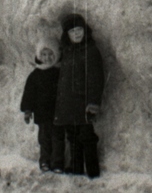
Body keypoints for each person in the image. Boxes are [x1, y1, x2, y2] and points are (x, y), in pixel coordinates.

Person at [53, 14, 105, 178]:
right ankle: (76, 168)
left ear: (85, 30)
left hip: (83, 102)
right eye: (72, 31)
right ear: (67, 35)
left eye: (79, 30)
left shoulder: (91, 51)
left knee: (87, 136)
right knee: (73, 136)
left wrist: (93, 102)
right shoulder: (67, 52)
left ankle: (92, 170)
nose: (77, 34)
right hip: (69, 103)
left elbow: (96, 79)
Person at [20, 40, 65, 172]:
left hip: (58, 113)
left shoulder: (60, 73)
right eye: (44, 54)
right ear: (39, 57)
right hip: (42, 114)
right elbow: (29, 94)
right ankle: (45, 161)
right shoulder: (35, 75)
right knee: (44, 139)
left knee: (58, 139)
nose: (47, 58)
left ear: (56, 55)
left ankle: (57, 163)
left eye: (50, 54)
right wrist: (27, 110)